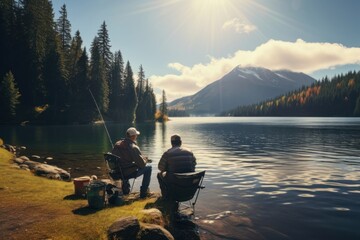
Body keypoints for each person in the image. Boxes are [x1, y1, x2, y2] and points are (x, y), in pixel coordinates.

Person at [112, 127, 152, 198]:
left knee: (124, 164)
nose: (136, 136)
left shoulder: (117, 144)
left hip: (118, 171)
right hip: (127, 173)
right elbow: (142, 165)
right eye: (136, 135)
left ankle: (126, 190)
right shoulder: (133, 147)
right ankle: (143, 193)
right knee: (148, 168)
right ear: (133, 136)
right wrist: (145, 160)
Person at [157, 134, 197, 198]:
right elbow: (194, 164)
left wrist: (167, 168)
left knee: (159, 175)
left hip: (174, 182)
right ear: (180, 142)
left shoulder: (167, 153)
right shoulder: (189, 152)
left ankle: (166, 196)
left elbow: (160, 168)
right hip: (189, 183)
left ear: (171, 143)